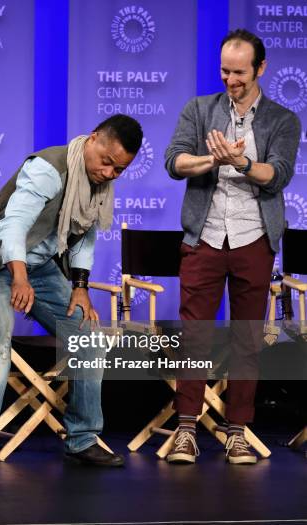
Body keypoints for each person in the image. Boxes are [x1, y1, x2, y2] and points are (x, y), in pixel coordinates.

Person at [0, 115, 143, 471]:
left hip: (40, 267)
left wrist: (79, 289)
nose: (111, 173)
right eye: (108, 162)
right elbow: (13, 226)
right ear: (93, 139)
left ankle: (82, 438)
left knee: (89, 338)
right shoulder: (48, 169)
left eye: (120, 170)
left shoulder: (99, 183)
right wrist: (18, 277)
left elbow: (84, 235)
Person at [165, 29, 301, 465]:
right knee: (195, 336)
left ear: (260, 69)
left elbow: (278, 175)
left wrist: (241, 161)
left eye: (239, 72)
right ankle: (186, 430)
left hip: (253, 239)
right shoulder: (200, 110)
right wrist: (213, 160)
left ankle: (237, 432)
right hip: (204, 238)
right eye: (225, 70)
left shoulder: (283, 119)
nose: (231, 79)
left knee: (247, 340)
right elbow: (174, 161)